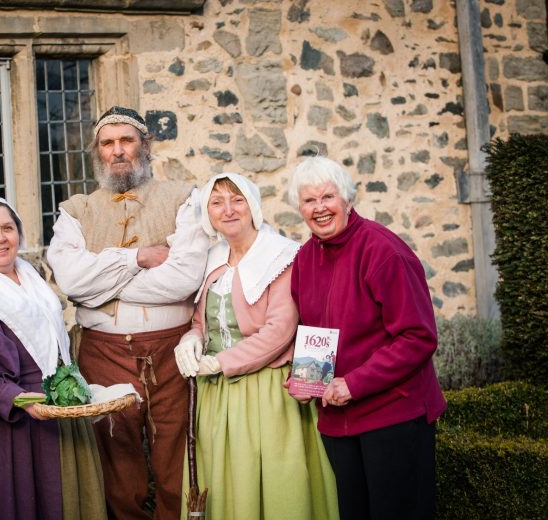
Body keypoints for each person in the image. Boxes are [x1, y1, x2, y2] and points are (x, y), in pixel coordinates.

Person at [47, 106, 209, 520]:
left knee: (178, 456)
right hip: (103, 353)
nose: (117, 151)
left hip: (171, 353)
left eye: (126, 141)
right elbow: (72, 282)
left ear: (145, 146)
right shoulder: (75, 211)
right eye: (108, 143)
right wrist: (138, 257)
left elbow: (185, 278)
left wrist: (101, 282)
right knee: (117, 464)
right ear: (97, 152)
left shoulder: (183, 198)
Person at [286, 156, 447, 520]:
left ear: (347, 199)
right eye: (309, 201)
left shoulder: (383, 251)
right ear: (300, 208)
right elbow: (312, 331)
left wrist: (354, 383)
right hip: (338, 422)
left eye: (328, 197)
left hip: (394, 415)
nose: (320, 208)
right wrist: (305, 380)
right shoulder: (305, 259)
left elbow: (417, 336)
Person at [173, 173, 339, 520]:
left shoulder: (280, 256)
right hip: (216, 397)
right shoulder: (212, 258)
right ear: (208, 213)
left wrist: (220, 363)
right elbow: (203, 321)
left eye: (237, 200)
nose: (228, 210)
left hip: (264, 393)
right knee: (223, 485)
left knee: (273, 486)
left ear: (253, 206)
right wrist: (192, 339)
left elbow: (279, 330)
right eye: (217, 202)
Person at [0, 192, 106, 520]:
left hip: (51, 416)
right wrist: (17, 399)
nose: (0, 238)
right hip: (4, 430)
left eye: (8, 228)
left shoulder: (31, 278)